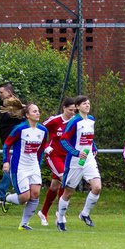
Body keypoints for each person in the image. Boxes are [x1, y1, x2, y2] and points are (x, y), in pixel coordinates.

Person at [55, 95, 102, 229]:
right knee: (68, 192)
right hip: (75, 161)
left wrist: (94, 147)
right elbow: (63, 140)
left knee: (97, 187)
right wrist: (76, 152)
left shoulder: (91, 120)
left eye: (88, 103)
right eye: (84, 104)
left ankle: (84, 214)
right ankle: (60, 219)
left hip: (88, 159)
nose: (87, 105)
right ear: (77, 107)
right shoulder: (74, 122)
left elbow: (89, 138)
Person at [1, 102, 50, 230]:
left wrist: (38, 164)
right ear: (27, 115)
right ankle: (7, 197)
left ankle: (24, 224)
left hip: (33, 166)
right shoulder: (20, 129)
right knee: (24, 197)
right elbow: (7, 145)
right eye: (34, 111)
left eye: (38, 111)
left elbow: (41, 150)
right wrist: (6, 161)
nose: (37, 113)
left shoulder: (43, 130)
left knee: (35, 194)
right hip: (19, 166)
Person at [37, 97, 78, 227]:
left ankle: (43, 213)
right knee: (64, 179)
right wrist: (45, 147)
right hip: (54, 155)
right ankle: (60, 214)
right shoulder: (54, 120)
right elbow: (38, 131)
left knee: (55, 186)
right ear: (64, 108)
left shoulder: (76, 122)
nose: (72, 112)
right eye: (70, 110)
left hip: (68, 157)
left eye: (74, 110)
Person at [0, 83, 23, 204]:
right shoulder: (4, 107)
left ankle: (0, 194)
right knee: (13, 168)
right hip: (7, 143)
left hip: (15, 144)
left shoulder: (19, 108)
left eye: (1, 92)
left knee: (9, 167)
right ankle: (21, 193)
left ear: (9, 91)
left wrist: (20, 110)